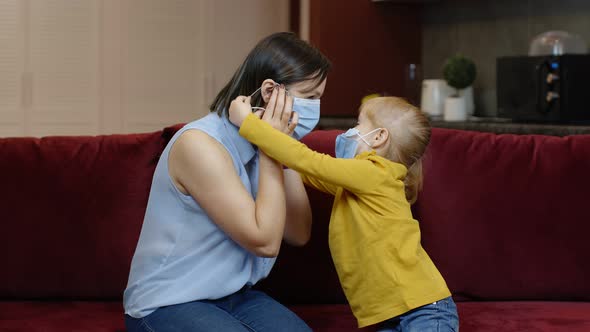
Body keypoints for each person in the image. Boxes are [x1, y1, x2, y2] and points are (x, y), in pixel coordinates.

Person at [123, 32, 330, 332]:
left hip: (234, 296)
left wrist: (283, 148)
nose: (316, 108)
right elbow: (265, 241)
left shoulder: (272, 143)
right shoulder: (200, 145)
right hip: (168, 300)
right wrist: (272, 146)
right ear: (270, 92)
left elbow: (298, 233)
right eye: (310, 97)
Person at [228, 95, 459, 331]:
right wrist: (274, 154)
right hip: (394, 314)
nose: (350, 131)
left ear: (378, 137)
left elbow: (309, 162)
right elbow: (310, 172)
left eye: (358, 124)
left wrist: (248, 124)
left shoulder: (374, 173)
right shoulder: (361, 183)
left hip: (424, 310)